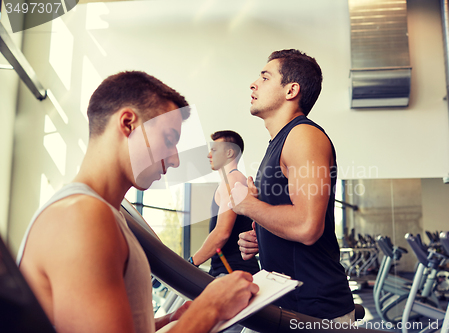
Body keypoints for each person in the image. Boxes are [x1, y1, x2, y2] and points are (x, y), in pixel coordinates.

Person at [16, 71, 259, 333]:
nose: (175, 159)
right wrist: (210, 308)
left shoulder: (106, 214)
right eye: (169, 140)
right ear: (128, 123)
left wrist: (169, 320)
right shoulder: (81, 216)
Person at [231, 49, 355, 322]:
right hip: (283, 303)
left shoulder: (303, 136)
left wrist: (249, 206)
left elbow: (306, 227)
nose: (253, 84)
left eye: (265, 77)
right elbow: (290, 219)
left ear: (291, 90)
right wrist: (262, 237)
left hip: (314, 309)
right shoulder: (279, 142)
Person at [189, 130, 260, 277]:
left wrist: (190, 264)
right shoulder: (236, 179)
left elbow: (222, 233)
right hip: (231, 269)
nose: (209, 155)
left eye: (214, 150)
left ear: (229, 153)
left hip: (232, 271)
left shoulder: (232, 181)